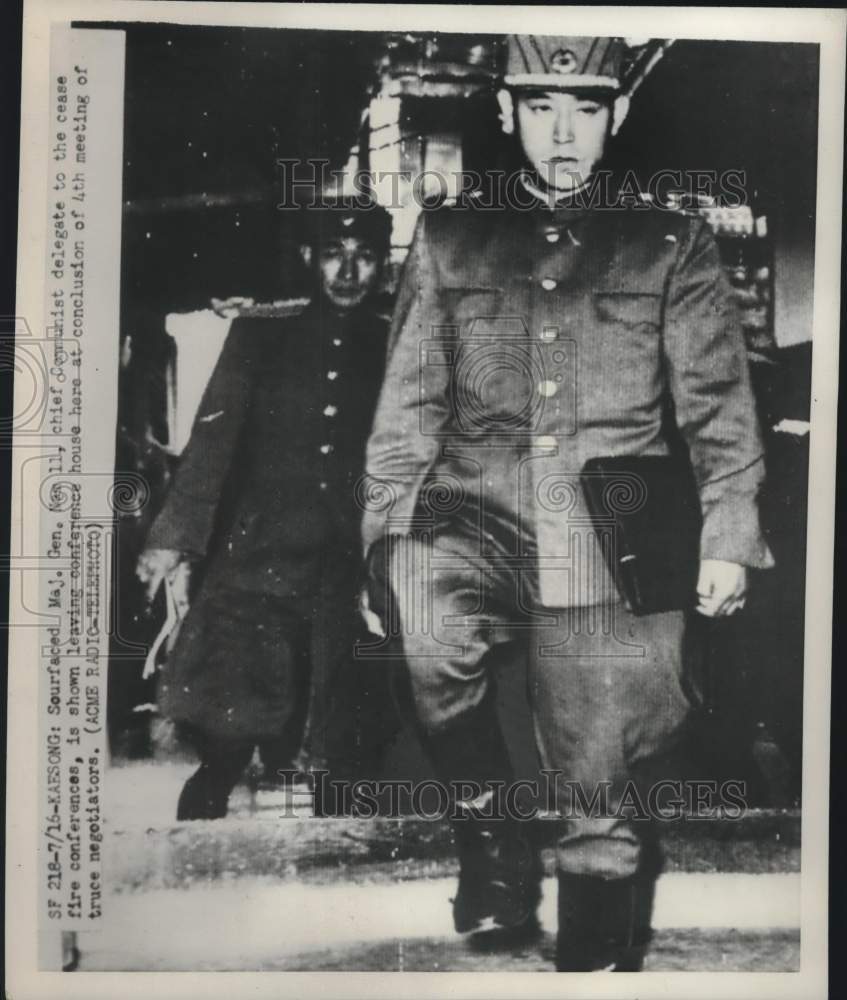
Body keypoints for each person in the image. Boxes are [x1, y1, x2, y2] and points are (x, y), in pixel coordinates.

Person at [362, 35, 773, 970]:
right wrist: (383, 540)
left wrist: (727, 534)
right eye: (540, 107)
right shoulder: (450, 235)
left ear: (613, 118)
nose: (562, 131)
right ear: (506, 114)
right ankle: (492, 829)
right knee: (425, 627)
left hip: (610, 527)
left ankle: (593, 963)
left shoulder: (669, 239)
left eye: (584, 109)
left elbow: (716, 404)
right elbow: (408, 408)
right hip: (469, 511)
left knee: (596, 775)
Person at [137, 200, 393, 820]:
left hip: (352, 540)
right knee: (240, 664)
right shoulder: (263, 329)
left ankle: (333, 780)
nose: (349, 271)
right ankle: (218, 772)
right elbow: (214, 439)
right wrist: (174, 537)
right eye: (334, 253)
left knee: (344, 664)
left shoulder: (393, 339)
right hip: (262, 536)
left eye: (364, 256)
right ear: (309, 257)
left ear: (383, 263)